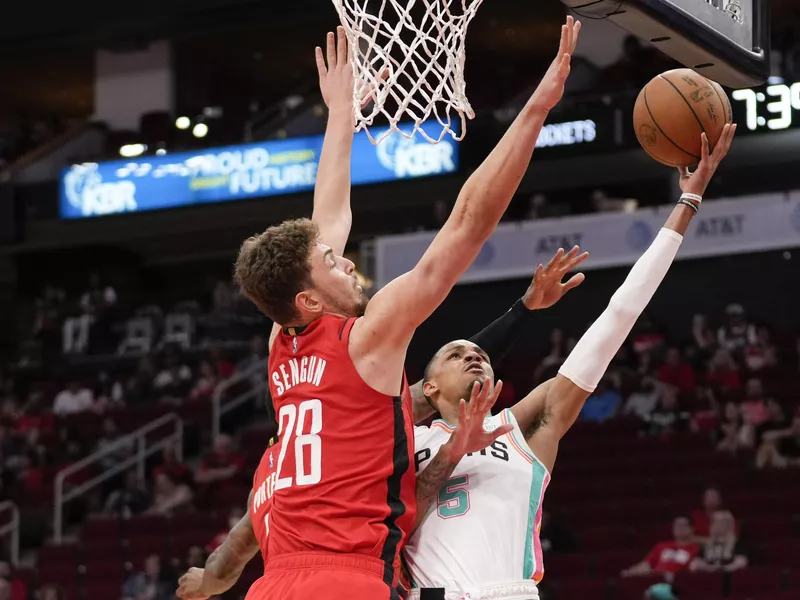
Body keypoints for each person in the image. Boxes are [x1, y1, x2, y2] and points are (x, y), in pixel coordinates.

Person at [177, 19, 580, 600]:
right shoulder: (366, 340)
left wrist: (341, 116)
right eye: (330, 262)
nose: (345, 261)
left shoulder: (280, 340)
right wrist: (536, 112)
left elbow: (329, 218)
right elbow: (466, 224)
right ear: (309, 299)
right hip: (347, 580)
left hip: (275, 583)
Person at [405, 125, 736, 596]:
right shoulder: (399, 436)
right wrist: (455, 446)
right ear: (429, 386)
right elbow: (392, 524)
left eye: (480, 353)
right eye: (456, 354)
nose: (473, 356)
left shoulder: (525, 431)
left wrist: (689, 202)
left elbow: (619, 315)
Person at [621, 517, 700, 578]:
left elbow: (695, 567)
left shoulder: (696, 548)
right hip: (656, 577)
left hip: (678, 582)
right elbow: (646, 564)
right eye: (676, 525)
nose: (679, 527)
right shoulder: (662, 546)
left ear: (691, 529)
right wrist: (629, 572)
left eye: (683, 525)